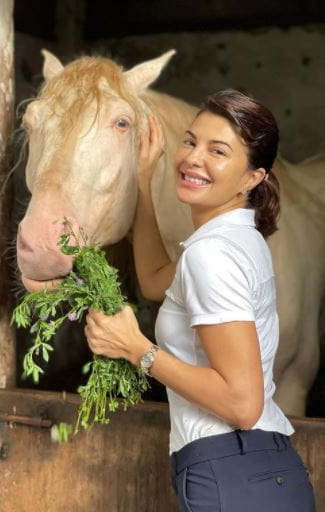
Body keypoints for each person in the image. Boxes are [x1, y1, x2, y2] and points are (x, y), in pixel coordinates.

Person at [84, 89, 316, 511]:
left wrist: (137, 350)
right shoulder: (235, 240)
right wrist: (142, 181)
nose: (193, 158)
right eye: (191, 142)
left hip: (229, 472)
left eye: (218, 151)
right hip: (260, 469)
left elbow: (242, 404)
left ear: (252, 177)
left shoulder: (212, 255)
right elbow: (156, 281)